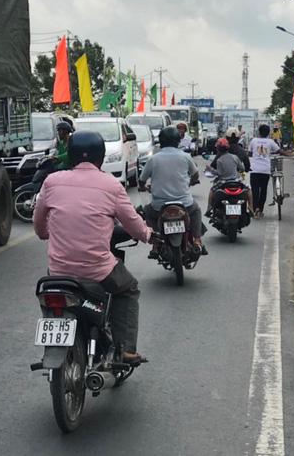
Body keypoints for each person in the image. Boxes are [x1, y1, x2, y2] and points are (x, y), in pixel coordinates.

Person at [33, 130, 153, 364]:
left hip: (58, 271)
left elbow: (39, 224)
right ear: (100, 157)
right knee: (128, 289)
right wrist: (148, 235)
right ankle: (126, 349)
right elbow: (134, 225)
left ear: (71, 156)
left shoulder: (51, 181)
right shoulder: (111, 185)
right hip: (98, 271)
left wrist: (45, 233)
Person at [138, 125, 206, 256]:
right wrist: (189, 183)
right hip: (184, 204)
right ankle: (197, 240)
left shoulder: (153, 159)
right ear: (178, 141)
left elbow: (142, 180)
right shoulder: (186, 157)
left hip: (159, 206)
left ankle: (155, 245)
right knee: (195, 210)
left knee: (149, 214)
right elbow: (196, 175)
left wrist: (143, 187)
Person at [204, 138, 245, 216]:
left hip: (224, 182)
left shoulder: (220, 160)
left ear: (218, 149)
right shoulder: (234, 157)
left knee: (212, 190)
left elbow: (219, 174)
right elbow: (242, 168)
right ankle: (251, 207)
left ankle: (209, 207)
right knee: (249, 189)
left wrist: (210, 169)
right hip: (236, 181)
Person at [247, 124, 280, 218]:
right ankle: (260, 209)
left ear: (259, 132)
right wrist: (289, 154)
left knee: (254, 190)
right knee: (263, 190)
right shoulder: (270, 142)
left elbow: (249, 153)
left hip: (254, 169)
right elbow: (278, 150)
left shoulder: (253, 141)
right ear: (269, 132)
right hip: (265, 170)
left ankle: (255, 208)